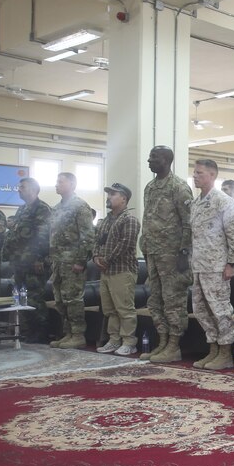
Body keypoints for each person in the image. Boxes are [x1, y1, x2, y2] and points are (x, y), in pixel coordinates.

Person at [190, 159, 234, 370]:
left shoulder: (223, 201)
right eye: (194, 173)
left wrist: (231, 263)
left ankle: (225, 353)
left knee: (220, 310)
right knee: (201, 310)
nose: (195, 176)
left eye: (200, 173)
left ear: (212, 175)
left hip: (217, 266)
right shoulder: (196, 203)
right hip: (199, 265)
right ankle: (212, 350)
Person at [140, 146, 193, 362]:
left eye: (154, 157)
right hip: (153, 253)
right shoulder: (150, 187)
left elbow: (188, 223)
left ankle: (174, 345)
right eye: (150, 156)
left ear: (167, 160)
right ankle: (162, 341)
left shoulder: (179, 187)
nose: (149, 160)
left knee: (173, 300)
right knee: (156, 300)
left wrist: (183, 252)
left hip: (173, 256)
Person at [49, 172, 95, 349]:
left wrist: (81, 261)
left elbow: (87, 236)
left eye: (61, 182)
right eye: (57, 181)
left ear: (72, 184)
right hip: (58, 262)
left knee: (73, 299)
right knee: (60, 299)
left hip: (73, 261)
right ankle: (67, 333)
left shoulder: (80, 206)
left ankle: (78, 334)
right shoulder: (56, 208)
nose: (56, 185)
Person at [93, 183, 141, 355]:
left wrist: (107, 259)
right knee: (110, 310)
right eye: (109, 194)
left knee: (124, 309)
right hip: (106, 271)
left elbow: (126, 243)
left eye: (113, 194)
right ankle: (114, 340)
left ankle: (129, 341)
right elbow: (96, 241)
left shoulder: (130, 220)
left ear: (124, 199)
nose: (109, 197)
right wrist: (95, 257)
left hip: (122, 270)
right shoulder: (106, 220)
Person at [2, 178, 52, 342]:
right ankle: (28, 329)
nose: (19, 190)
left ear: (33, 189)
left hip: (34, 261)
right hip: (20, 261)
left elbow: (43, 236)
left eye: (22, 187)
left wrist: (39, 258)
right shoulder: (22, 209)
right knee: (21, 297)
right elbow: (15, 234)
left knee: (35, 297)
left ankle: (42, 331)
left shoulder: (42, 209)